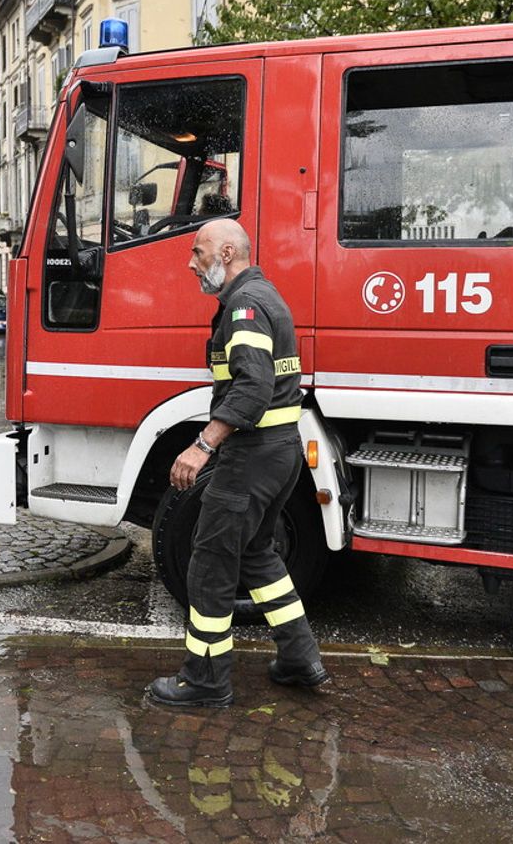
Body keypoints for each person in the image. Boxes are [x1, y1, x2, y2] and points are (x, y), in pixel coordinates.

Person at [145, 218, 327, 709]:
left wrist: (202, 445)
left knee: (209, 563)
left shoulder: (245, 307)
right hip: (281, 452)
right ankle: (299, 657)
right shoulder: (265, 297)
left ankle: (205, 680)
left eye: (198, 252)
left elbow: (252, 386)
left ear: (226, 253)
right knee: (256, 554)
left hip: (250, 457)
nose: (190, 262)